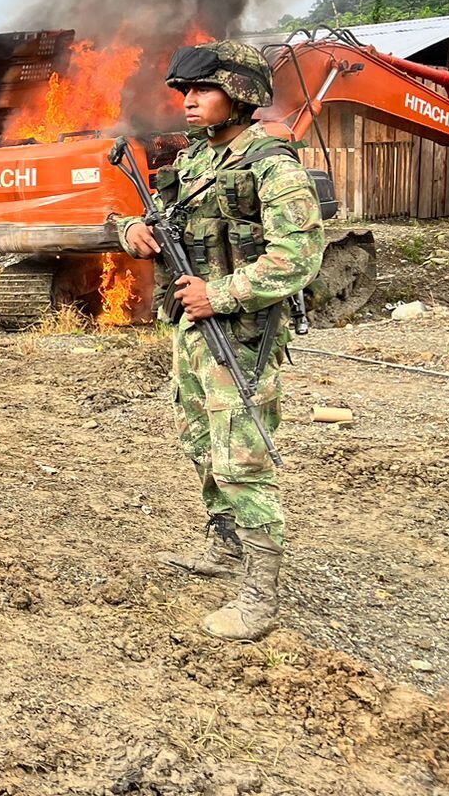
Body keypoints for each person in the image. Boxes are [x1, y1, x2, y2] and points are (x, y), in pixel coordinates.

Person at [114, 39, 323, 643]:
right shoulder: (198, 162)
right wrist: (133, 231)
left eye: (202, 90)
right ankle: (225, 545)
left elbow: (299, 257)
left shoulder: (272, 167)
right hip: (192, 330)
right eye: (184, 91)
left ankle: (261, 596)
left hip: (242, 335)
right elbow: (157, 220)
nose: (188, 102)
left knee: (242, 457)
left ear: (242, 94)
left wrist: (222, 294)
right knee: (200, 439)